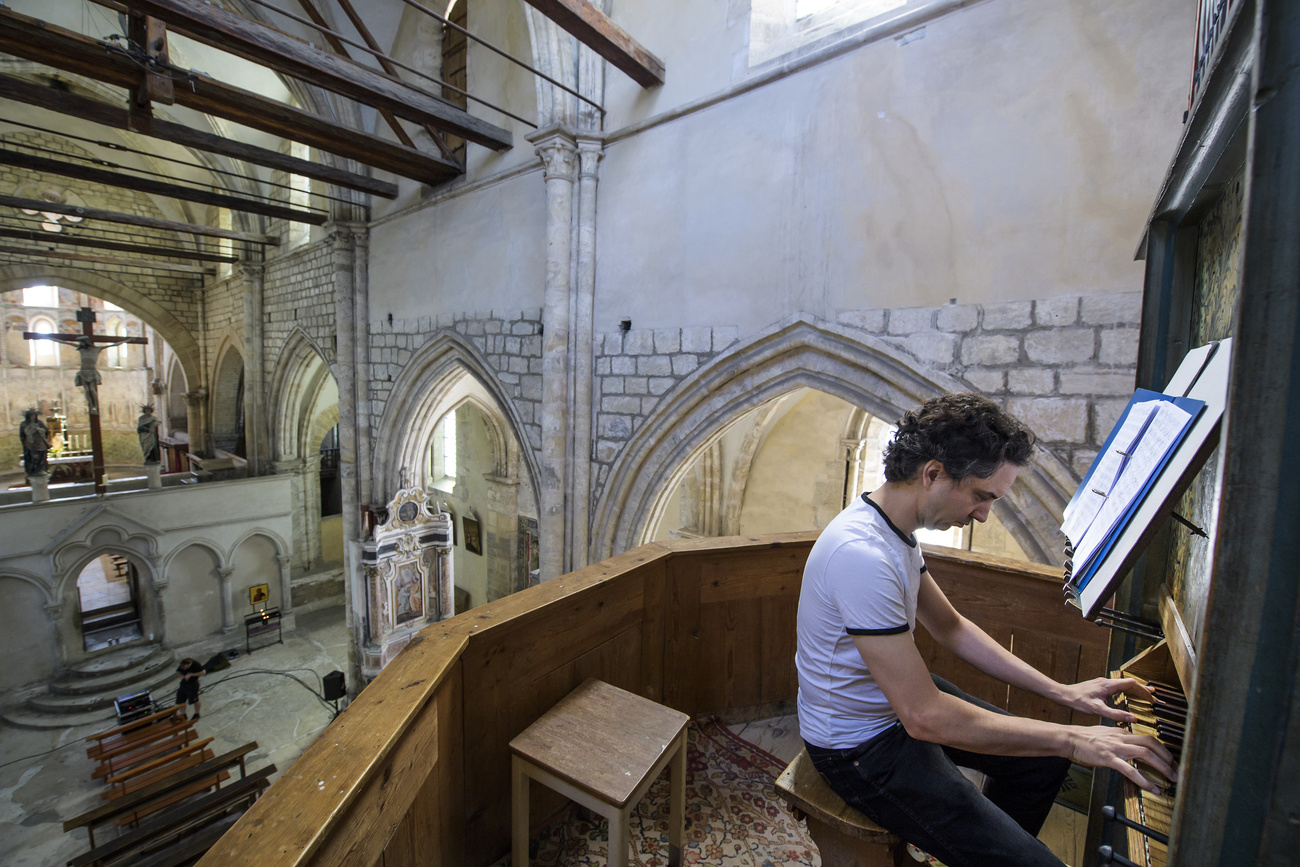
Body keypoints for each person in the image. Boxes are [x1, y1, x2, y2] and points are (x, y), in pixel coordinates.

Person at [796, 393, 1177, 867]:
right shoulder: (860, 555)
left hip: (893, 705)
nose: (983, 514)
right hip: (857, 747)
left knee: (1044, 763)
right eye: (981, 495)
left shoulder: (894, 532)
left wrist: (1063, 693)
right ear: (933, 474)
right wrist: (1076, 738)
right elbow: (924, 717)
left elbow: (951, 628)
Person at [19, 409, 50, 478]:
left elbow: (46, 431)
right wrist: (31, 431)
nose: (32, 417)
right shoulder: (24, 424)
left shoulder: (39, 423)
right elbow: (23, 435)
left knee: (42, 457)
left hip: (40, 444)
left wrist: (39, 430)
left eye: (34, 415)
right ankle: (32, 471)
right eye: (31, 415)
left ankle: (42, 469)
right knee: (33, 458)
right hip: (30, 445)